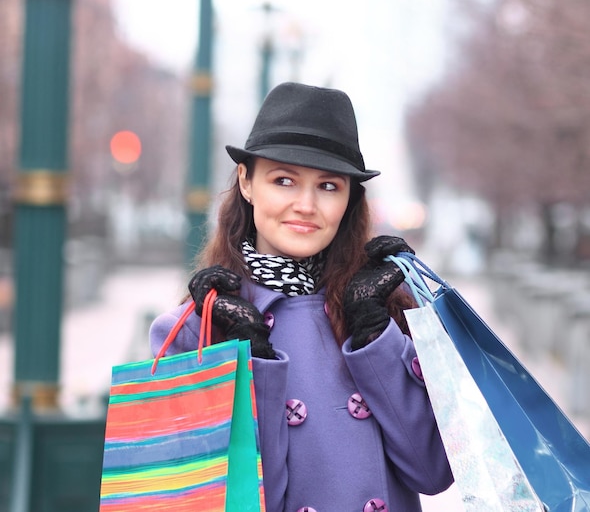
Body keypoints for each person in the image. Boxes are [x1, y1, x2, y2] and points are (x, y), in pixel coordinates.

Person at [150, 82, 453, 512]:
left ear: (350, 200)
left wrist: (374, 335)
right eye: (284, 180)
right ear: (247, 182)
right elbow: (231, 503)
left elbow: (433, 472)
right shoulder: (196, 332)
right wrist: (253, 362)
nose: (306, 205)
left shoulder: (381, 309)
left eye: (329, 186)